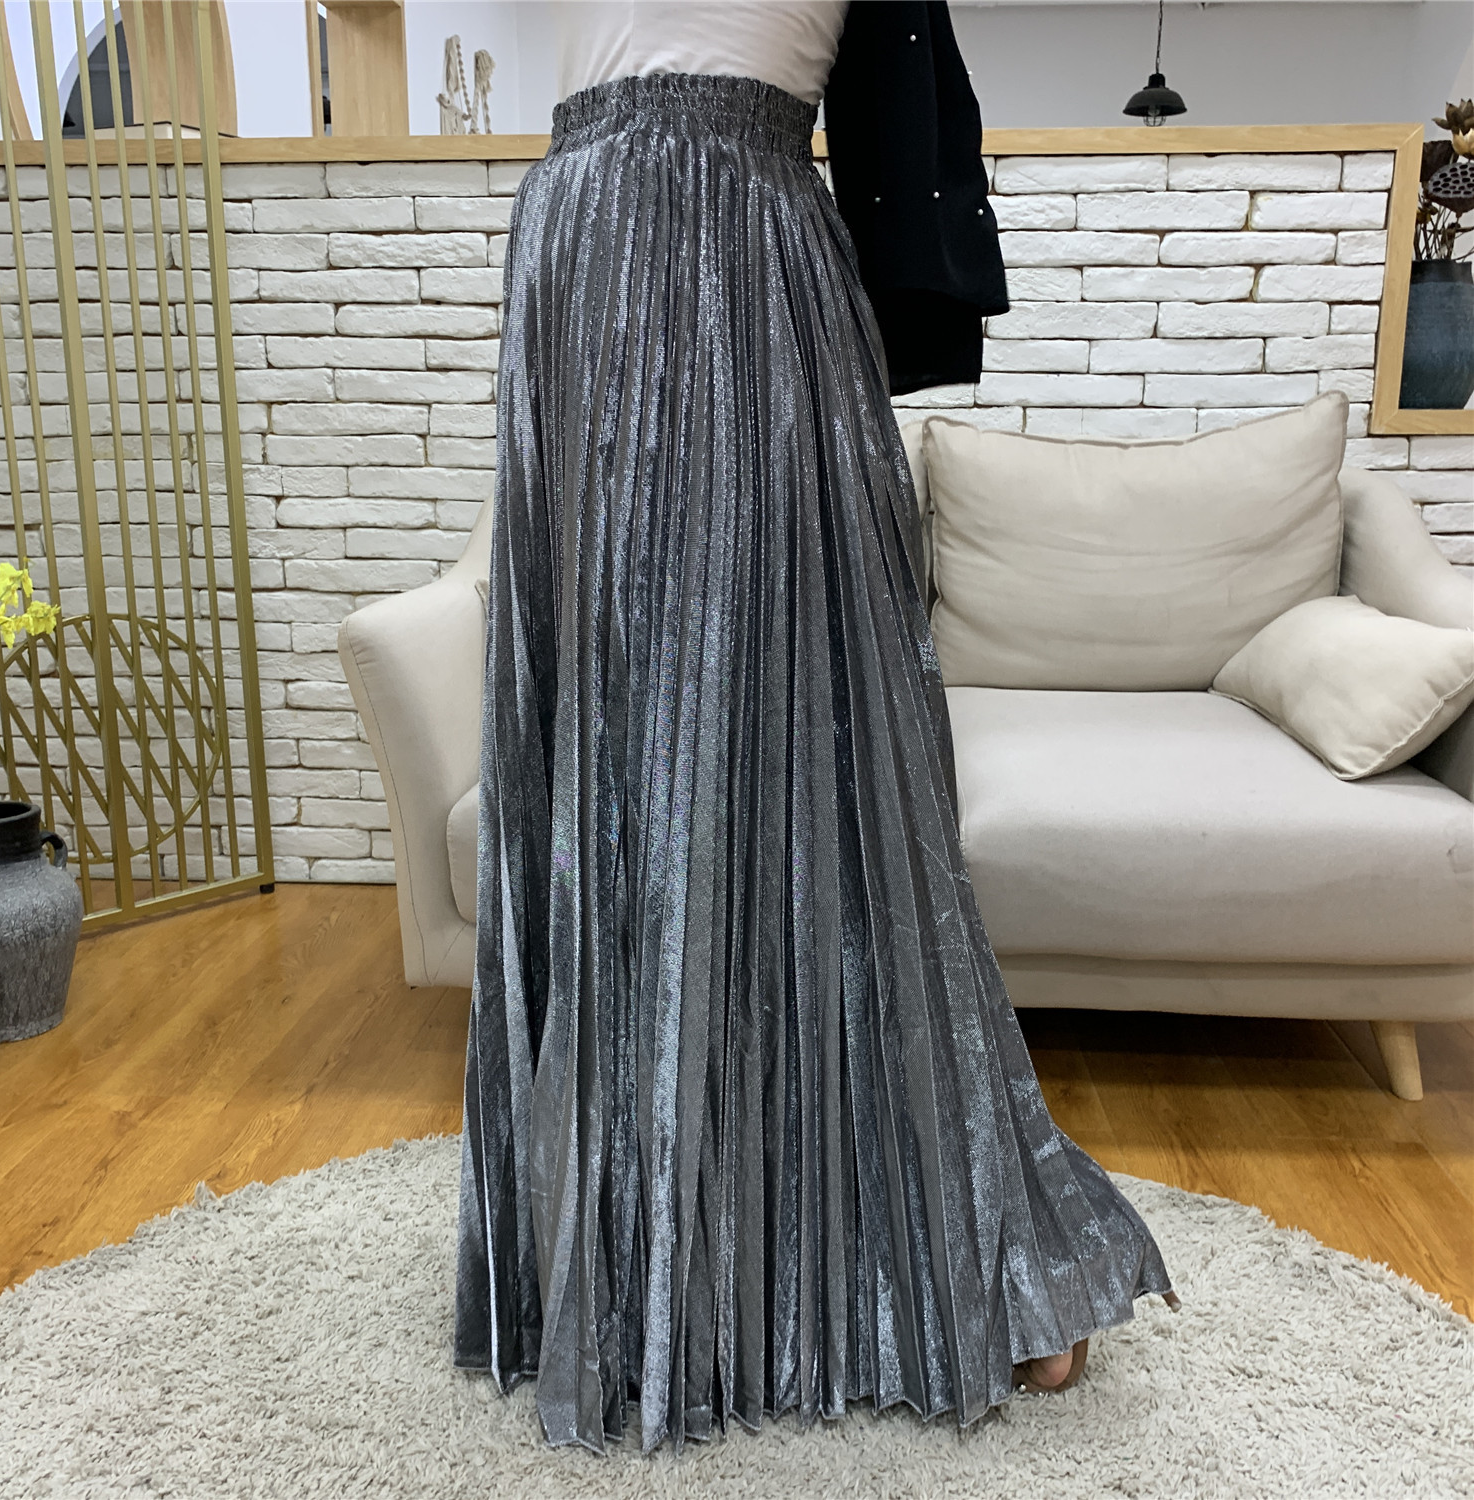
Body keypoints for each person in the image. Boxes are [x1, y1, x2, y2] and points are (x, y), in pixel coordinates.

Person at [453, 0, 1177, 1457]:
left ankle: (948, 1250)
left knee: (815, 751)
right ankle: (650, 1261)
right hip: (591, 248)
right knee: (618, 756)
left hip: (729, 245)